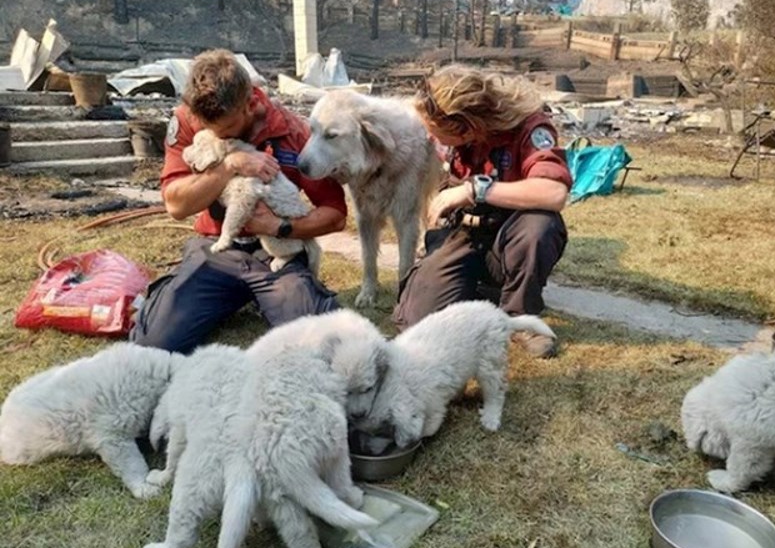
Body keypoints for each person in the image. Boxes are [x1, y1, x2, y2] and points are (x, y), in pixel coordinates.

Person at [130, 49, 347, 353]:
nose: (214, 135)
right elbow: (176, 205)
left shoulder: (292, 131)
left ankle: (287, 296)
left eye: (227, 130)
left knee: (322, 345)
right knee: (152, 344)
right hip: (215, 247)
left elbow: (336, 215)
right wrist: (230, 165)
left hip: (273, 251)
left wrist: (279, 226)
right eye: (208, 129)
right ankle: (174, 295)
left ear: (250, 103)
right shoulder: (189, 119)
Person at [392, 64, 571, 358]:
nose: (429, 137)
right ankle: (478, 293)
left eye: (435, 132)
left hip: (508, 235)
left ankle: (520, 316)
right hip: (464, 233)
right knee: (417, 321)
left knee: (540, 226)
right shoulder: (454, 138)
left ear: (467, 125)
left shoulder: (529, 129)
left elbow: (554, 193)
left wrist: (475, 190)